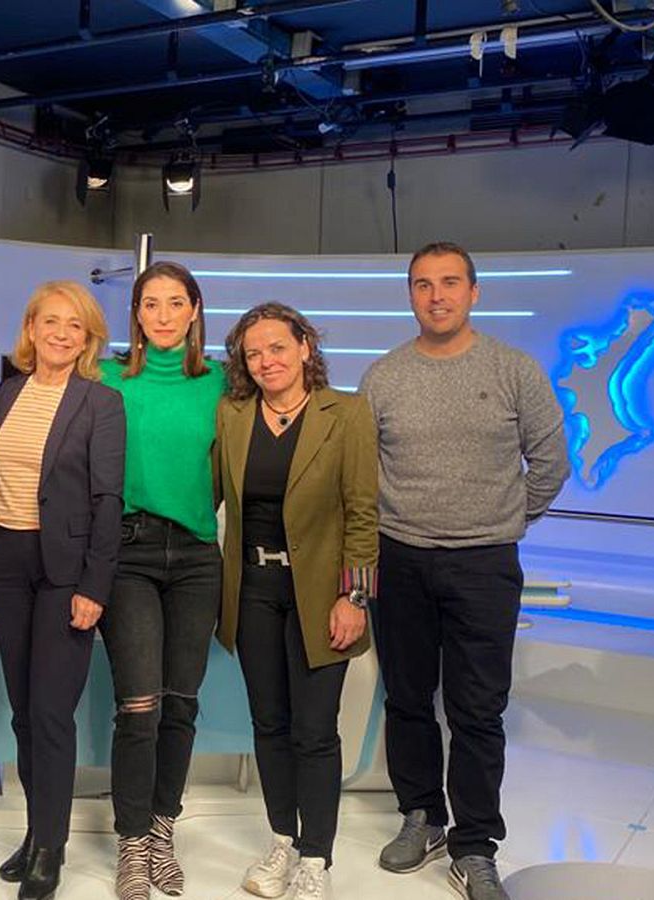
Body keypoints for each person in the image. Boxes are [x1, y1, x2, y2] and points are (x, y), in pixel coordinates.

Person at [360, 242, 569, 900]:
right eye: (422, 284)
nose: (436, 295)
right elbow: (362, 476)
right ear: (410, 295)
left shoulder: (515, 370)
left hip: (485, 563)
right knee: (408, 700)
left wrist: (504, 521)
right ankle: (421, 816)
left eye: (450, 283)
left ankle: (475, 845)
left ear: (474, 292)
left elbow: (551, 463)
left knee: (478, 711)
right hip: (400, 560)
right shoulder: (383, 377)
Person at [0, 280, 125, 900]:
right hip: (8, 560)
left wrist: (94, 585)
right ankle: (34, 833)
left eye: (73, 326)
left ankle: (50, 850)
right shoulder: (8, 391)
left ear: (87, 339)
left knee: (52, 714)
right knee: (24, 713)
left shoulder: (100, 402)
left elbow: (109, 499)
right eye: (49, 321)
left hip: (67, 571)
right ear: (30, 328)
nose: (59, 333)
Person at [215, 303, 378, 900]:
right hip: (253, 590)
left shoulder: (347, 413)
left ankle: (317, 858)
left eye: (277, 348)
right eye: (253, 353)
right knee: (269, 723)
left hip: (321, 594)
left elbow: (363, 512)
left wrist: (354, 596)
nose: (266, 362)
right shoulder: (234, 415)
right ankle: (283, 839)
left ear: (306, 346)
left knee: (314, 731)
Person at [97, 262, 225, 900]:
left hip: (199, 557)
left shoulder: (223, 385)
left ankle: (161, 827)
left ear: (196, 310)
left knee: (181, 702)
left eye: (177, 302)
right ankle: (131, 842)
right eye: (152, 303)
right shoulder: (109, 377)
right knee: (139, 705)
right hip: (131, 552)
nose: (165, 314)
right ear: (138, 314)